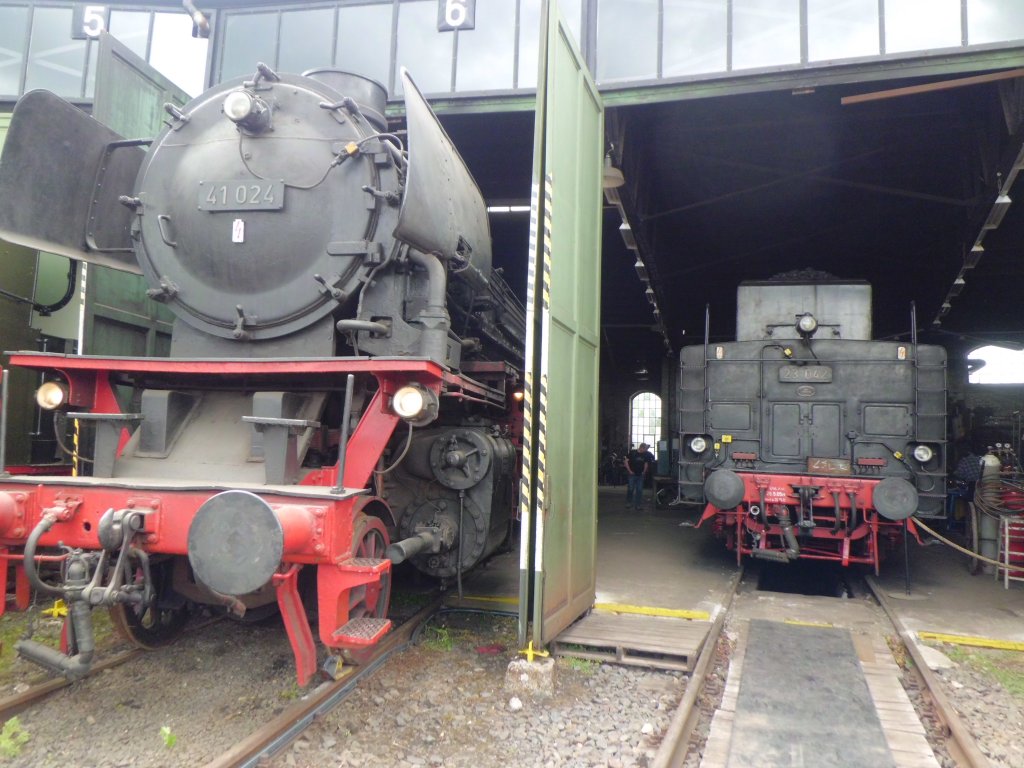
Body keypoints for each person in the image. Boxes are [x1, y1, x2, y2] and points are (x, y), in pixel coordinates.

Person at [624, 443, 655, 509]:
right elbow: (626, 462)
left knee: (639, 490)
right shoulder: (632, 453)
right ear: (641, 448)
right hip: (632, 474)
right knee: (630, 489)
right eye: (645, 449)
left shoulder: (645, 454)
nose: (646, 450)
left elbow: (646, 464)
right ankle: (628, 503)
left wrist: (644, 472)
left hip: (640, 475)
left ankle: (638, 505)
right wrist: (629, 471)